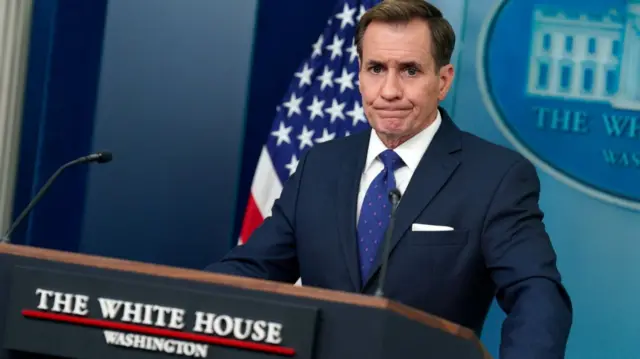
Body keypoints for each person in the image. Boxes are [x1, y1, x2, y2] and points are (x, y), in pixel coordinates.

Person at [206, 0, 572, 357]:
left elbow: (536, 294)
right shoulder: (320, 165)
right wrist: (170, 300)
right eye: (376, 68)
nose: (390, 90)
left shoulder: (495, 177)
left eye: (410, 70)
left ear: (443, 81)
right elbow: (254, 268)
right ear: (360, 76)